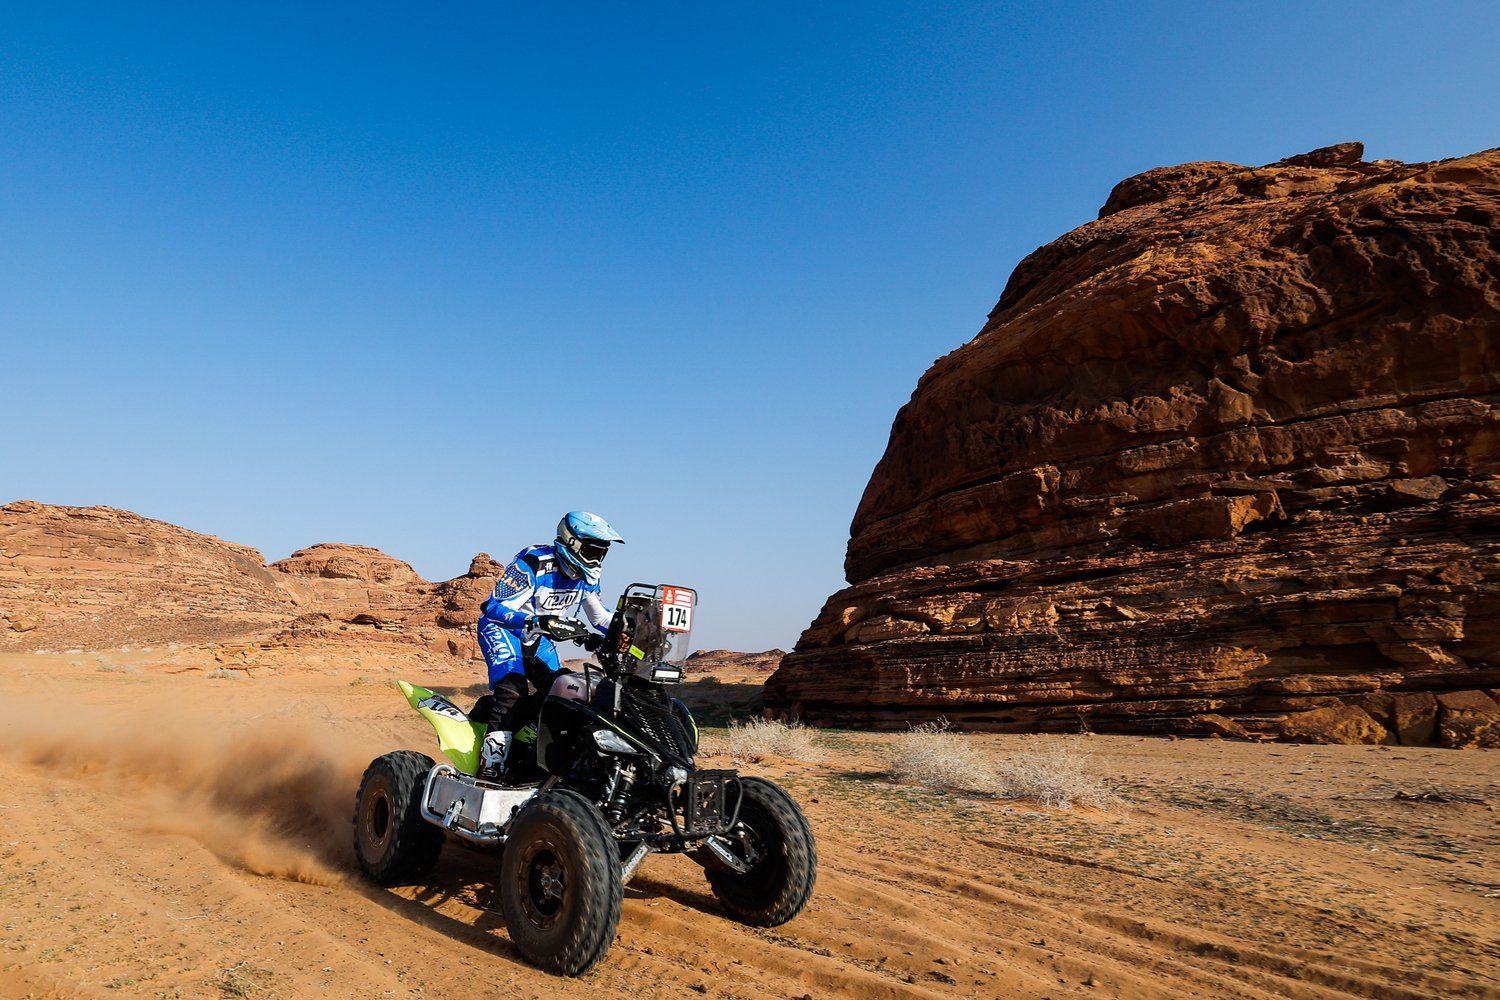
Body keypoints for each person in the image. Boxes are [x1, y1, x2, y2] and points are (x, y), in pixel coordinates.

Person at [475, 511, 623, 781]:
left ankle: (524, 747)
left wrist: (633, 626)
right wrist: (537, 620)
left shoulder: (587, 577)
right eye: (592, 550)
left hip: (538, 638)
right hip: (504, 629)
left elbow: (600, 617)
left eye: (601, 553)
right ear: (572, 543)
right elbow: (493, 607)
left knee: (563, 690)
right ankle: (490, 769)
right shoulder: (534, 563)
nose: (596, 559)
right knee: (512, 690)